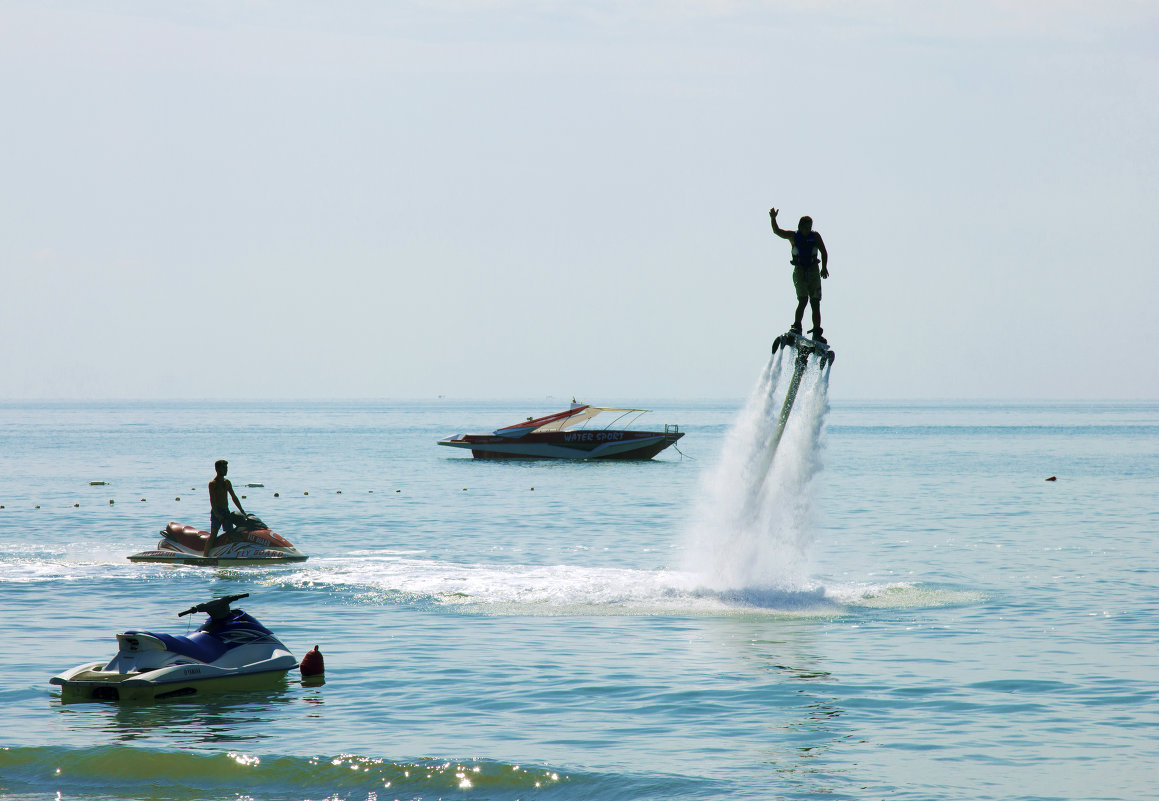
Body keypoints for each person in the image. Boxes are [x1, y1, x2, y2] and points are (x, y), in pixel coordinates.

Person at [769, 208, 829, 343]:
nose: (809, 229)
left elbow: (824, 252)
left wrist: (824, 267)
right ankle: (797, 326)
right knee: (803, 300)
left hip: (813, 270)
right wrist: (773, 218)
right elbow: (777, 231)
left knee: (815, 302)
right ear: (800, 227)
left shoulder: (815, 236)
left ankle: (816, 331)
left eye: (810, 227)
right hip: (800, 271)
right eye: (806, 227)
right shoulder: (793, 236)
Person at [206, 459, 246, 555]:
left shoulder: (227, 482)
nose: (226, 470)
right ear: (217, 469)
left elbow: (234, 497)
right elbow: (212, 500)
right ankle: (205, 556)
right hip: (217, 511)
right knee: (214, 535)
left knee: (230, 534)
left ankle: (229, 553)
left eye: (226, 468)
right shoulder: (213, 483)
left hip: (226, 511)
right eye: (224, 468)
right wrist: (216, 513)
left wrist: (242, 510)